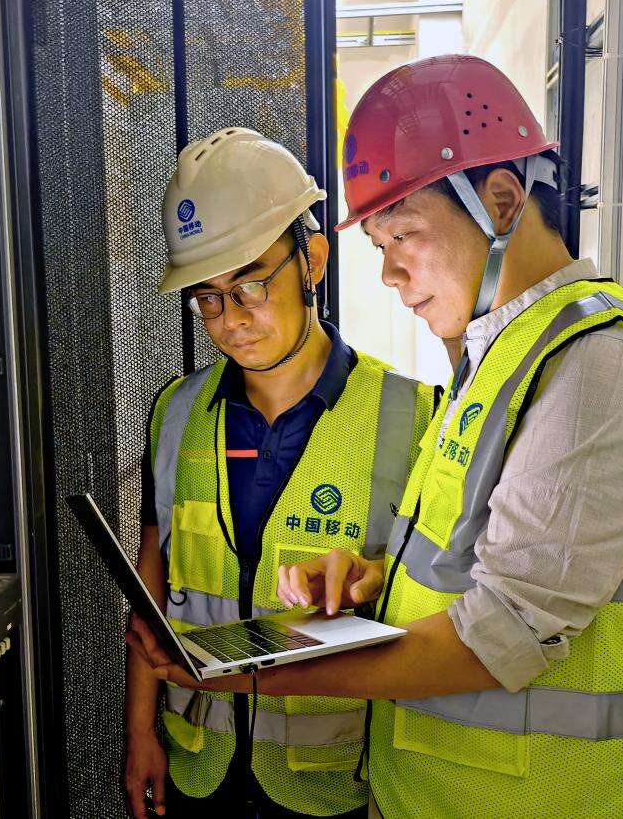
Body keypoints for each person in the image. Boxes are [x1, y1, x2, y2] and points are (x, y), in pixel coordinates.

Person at [129, 57, 623, 818]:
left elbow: (503, 634)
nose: (388, 273)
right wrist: (371, 583)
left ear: (501, 201)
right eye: (379, 244)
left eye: (403, 234)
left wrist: (251, 671)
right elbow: (463, 571)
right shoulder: (494, 364)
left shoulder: (593, 366)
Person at [124, 128, 437, 819]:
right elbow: (153, 580)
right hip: (198, 770)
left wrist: (370, 580)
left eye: (251, 284)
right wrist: (140, 731)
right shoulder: (176, 413)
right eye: (207, 297)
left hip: (332, 784)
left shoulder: (411, 417)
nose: (231, 320)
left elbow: (436, 610)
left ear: (313, 260)